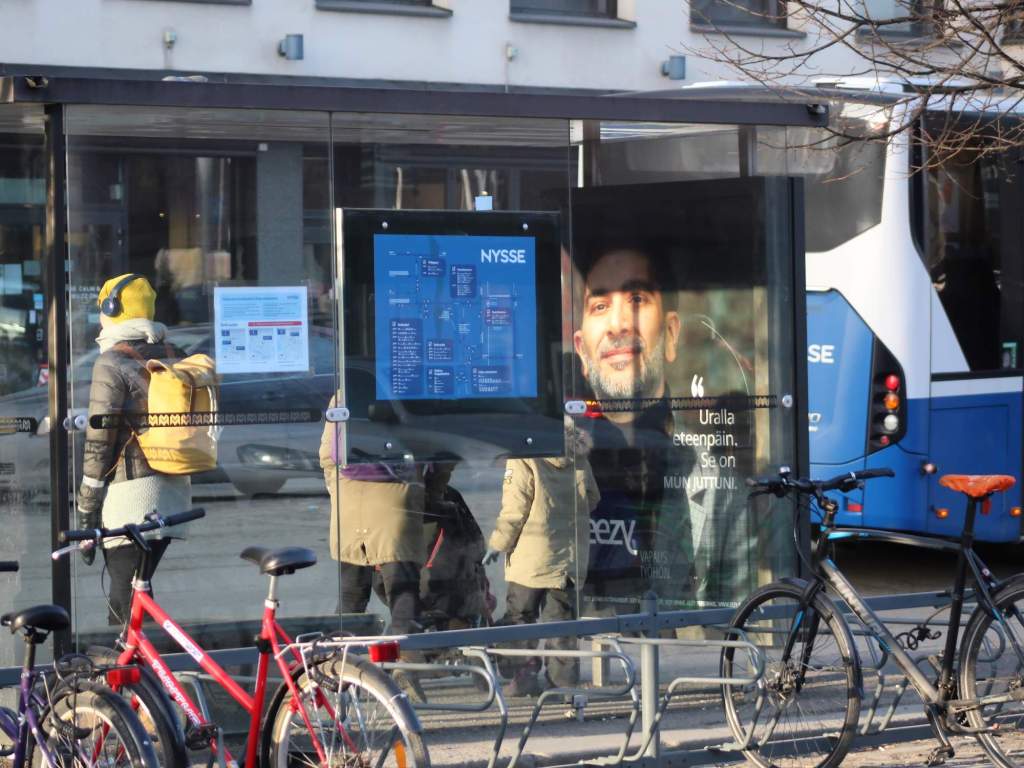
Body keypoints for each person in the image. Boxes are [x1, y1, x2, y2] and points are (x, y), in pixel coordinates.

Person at [572, 247, 744, 610]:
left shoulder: (720, 486)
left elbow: (737, 618)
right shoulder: (555, 466)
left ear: (671, 332)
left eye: (636, 299)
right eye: (599, 306)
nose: (618, 324)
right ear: (581, 350)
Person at [77, 273, 192, 625]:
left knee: (123, 602)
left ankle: (134, 661)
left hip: (132, 496)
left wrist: (87, 508)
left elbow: (100, 441)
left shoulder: (111, 362)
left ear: (113, 309)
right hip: (174, 490)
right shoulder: (175, 353)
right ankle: (144, 658)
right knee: (138, 591)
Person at [483, 419, 600, 696]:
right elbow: (593, 497)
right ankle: (563, 686)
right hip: (568, 559)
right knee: (561, 623)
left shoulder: (524, 458)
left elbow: (515, 509)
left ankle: (522, 677)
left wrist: (498, 544)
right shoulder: (578, 455)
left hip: (531, 558)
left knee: (519, 618)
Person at [319, 399, 427, 698]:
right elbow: (434, 452)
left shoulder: (343, 391)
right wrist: (423, 492)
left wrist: (339, 490)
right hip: (396, 502)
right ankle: (404, 668)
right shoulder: (407, 387)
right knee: (403, 595)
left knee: (351, 597)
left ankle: (340, 670)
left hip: (349, 504)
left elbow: (327, 454)